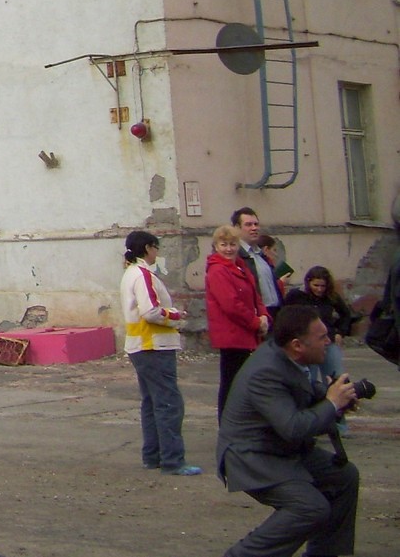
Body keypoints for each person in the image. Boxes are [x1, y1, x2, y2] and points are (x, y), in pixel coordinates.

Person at [216, 305, 360, 557]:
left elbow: (302, 396)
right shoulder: (266, 371)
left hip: (280, 448)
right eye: (322, 337)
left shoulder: (288, 358)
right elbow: (293, 428)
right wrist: (331, 403)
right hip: (252, 456)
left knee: (344, 476)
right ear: (297, 345)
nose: (328, 342)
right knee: (309, 507)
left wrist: (334, 399)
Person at [119, 229, 201, 475]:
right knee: (168, 404)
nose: (157, 252)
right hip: (153, 345)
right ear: (148, 248)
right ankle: (172, 460)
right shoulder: (143, 275)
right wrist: (176, 315)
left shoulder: (130, 273)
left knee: (152, 403)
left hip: (141, 346)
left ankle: (153, 455)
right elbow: (151, 311)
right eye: (156, 248)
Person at [205, 223, 269, 418]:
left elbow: (255, 295)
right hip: (232, 336)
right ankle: (228, 424)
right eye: (223, 244)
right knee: (232, 383)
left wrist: (264, 316)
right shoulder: (218, 271)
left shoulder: (240, 266)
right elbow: (231, 305)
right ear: (216, 246)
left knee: (243, 382)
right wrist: (256, 322)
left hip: (246, 333)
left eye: (232, 244)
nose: (228, 249)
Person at [284, 267, 355, 387]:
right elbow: (285, 314)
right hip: (306, 343)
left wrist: (340, 332)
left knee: (336, 376)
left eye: (323, 286)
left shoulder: (331, 297)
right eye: (316, 285)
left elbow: (345, 314)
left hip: (328, 341)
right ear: (308, 282)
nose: (319, 289)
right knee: (308, 378)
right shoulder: (296, 296)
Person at [233, 207, 283, 318]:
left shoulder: (261, 254)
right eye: (248, 225)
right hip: (257, 315)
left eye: (256, 224)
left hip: (275, 313)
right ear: (237, 228)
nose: (254, 228)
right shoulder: (235, 256)